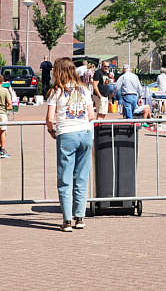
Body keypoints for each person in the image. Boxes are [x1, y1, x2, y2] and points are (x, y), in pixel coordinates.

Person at [45, 57, 95, 232]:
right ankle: (80, 217)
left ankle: (67, 220)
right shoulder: (84, 89)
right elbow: (91, 115)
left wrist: (52, 131)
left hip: (66, 133)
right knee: (81, 177)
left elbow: (49, 118)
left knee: (65, 179)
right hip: (85, 133)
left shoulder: (56, 91)